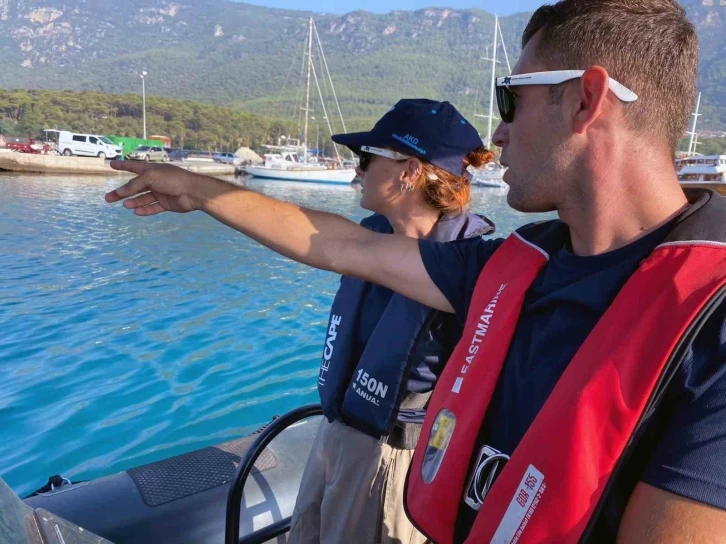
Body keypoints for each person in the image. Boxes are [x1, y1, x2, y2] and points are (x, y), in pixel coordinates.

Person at [105, 0, 726, 540]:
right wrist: (199, 190)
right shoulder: (514, 267)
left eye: (511, 97)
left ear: (586, 100)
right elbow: (340, 247)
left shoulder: (713, 326)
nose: (500, 133)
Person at [289, 99, 495, 544]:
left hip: (390, 460)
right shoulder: (370, 239)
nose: (358, 169)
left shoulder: (461, 269)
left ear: (411, 170)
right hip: (335, 436)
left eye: (367, 158)